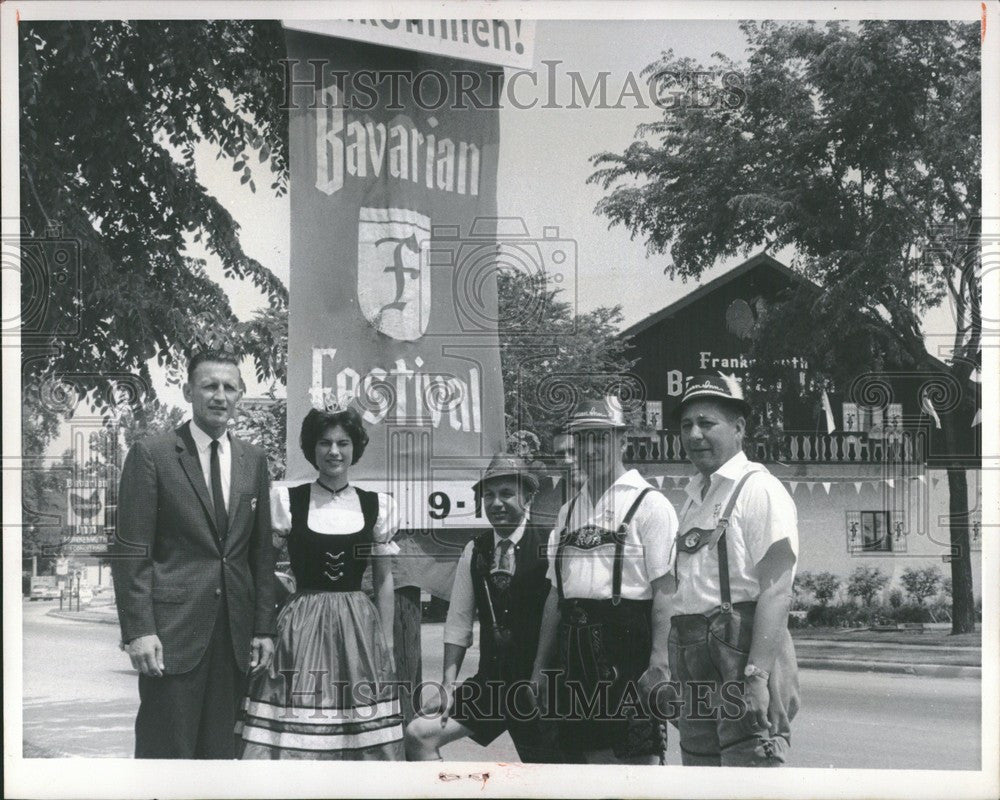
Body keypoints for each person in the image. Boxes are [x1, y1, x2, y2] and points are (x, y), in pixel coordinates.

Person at [111, 350, 277, 759]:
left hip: (235, 639)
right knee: (166, 755)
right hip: (172, 636)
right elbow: (131, 551)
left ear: (240, 394)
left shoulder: (253, 461)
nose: (219, 396)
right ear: (188, 391)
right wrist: (139, 630)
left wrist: (263, 628)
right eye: (209, 386)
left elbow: (261, 553)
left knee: (221, 759)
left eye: (229, 387)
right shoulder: (153, 454)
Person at [239, 406, 404, 759]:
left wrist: (386, 641)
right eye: (325, 443)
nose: (334, 451)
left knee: (357, 721)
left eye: (343, 443)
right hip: (301, 625)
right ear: (312, 449)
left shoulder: (376, 506)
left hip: (358, 625)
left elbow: (384, 578)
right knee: (298, 713)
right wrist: (268, 618)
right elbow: (261, 566)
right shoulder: (288, 501)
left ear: (354, 449)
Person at [530, 397, 677, 764]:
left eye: (601, 437)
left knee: (636, 760)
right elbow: (554, 595)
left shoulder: (650, 503)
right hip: (574, 645)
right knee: (588, 758)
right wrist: (540, 668)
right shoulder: (567, 512)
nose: (590, 448)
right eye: (582, 439)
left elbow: (665, 590)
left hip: (628, 641)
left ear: (621, 440)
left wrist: (660, 661)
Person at [667, 374, 800, 767]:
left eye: (707, 423)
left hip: (739, 655)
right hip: (692, 651)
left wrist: (757, 678)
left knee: (750, 772)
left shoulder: (759, 489)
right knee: (700, 776)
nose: (694, 435)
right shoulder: (694, 497)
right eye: (687, 425)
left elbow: (777, 591)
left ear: (739, 428)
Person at [405, 453, 564, 763]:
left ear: (528, 497)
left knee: (549, 775)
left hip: (539, 685)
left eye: (506, 494)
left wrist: (541, 676)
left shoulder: (551, 543)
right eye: (488, 495)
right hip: (491, 684)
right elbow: (458, 623)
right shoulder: (475, 549)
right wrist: (448, 686)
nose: (496, 503)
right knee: (418, 735)